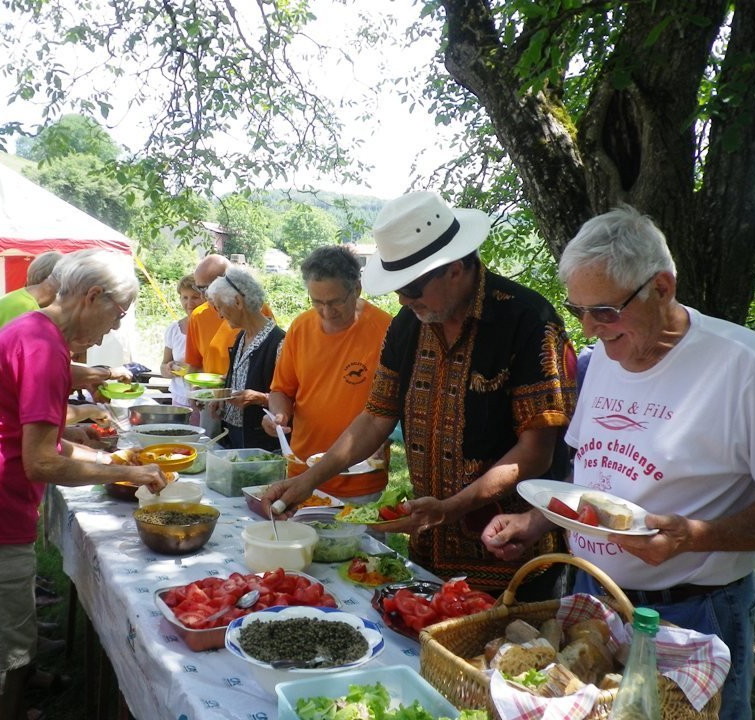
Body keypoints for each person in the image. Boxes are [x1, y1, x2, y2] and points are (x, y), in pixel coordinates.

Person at [481, 205, 755, 720]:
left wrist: (692, 535)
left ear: (661, 288)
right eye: (578, 310)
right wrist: (537, 520)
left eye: (604, 311)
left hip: (692, 609)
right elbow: (592, 476)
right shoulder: (600, 362)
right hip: (592, 593)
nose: (590, 327)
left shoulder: (744, 366)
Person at [264, 191, 577, 594]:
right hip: (430, 552)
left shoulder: (527, 321)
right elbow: (376, 417)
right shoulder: (407, 326)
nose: (403, 300)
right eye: (398, 289)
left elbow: (537, 452)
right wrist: (311, 479)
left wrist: (452, 508)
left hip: (512, 555)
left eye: (412, 288)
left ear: (455, 269)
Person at [0, 250, 168, 720]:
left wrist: (103, 455)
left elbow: (41, 441)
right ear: (93, 296)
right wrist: (128, 472)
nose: (115, 329)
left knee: (0, 634)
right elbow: (40, 460)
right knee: (12, 654)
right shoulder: (42, 346)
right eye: (118, 315)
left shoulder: (35, 331)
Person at [262, 245, 392, 502]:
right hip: (301, 472)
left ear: (356, 289)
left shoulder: (386, 331)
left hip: (359, 477)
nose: (326, 311)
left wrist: (388, 436)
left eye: (335, 302)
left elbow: (400, 405)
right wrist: (279, 414)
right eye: (317, 302)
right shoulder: (301, 326)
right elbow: (281, 389)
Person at [208, 267, 284, 450]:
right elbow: (237, 380)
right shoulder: (241, 337)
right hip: (233, 435)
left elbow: (294, 397)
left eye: (219, 307)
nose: (219, 315)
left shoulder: (280, 343)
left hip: (261, 441)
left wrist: (261, 398)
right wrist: (221, 398)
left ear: (237, 302)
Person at [160, 275, 206, 409]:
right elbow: (163, 365)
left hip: (203, 398)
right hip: (179, 398)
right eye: (185, 297)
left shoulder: (211, 328)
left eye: (195, 297)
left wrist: (191, 369)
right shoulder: (174, 329)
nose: (189, 303)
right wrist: (169, 369)